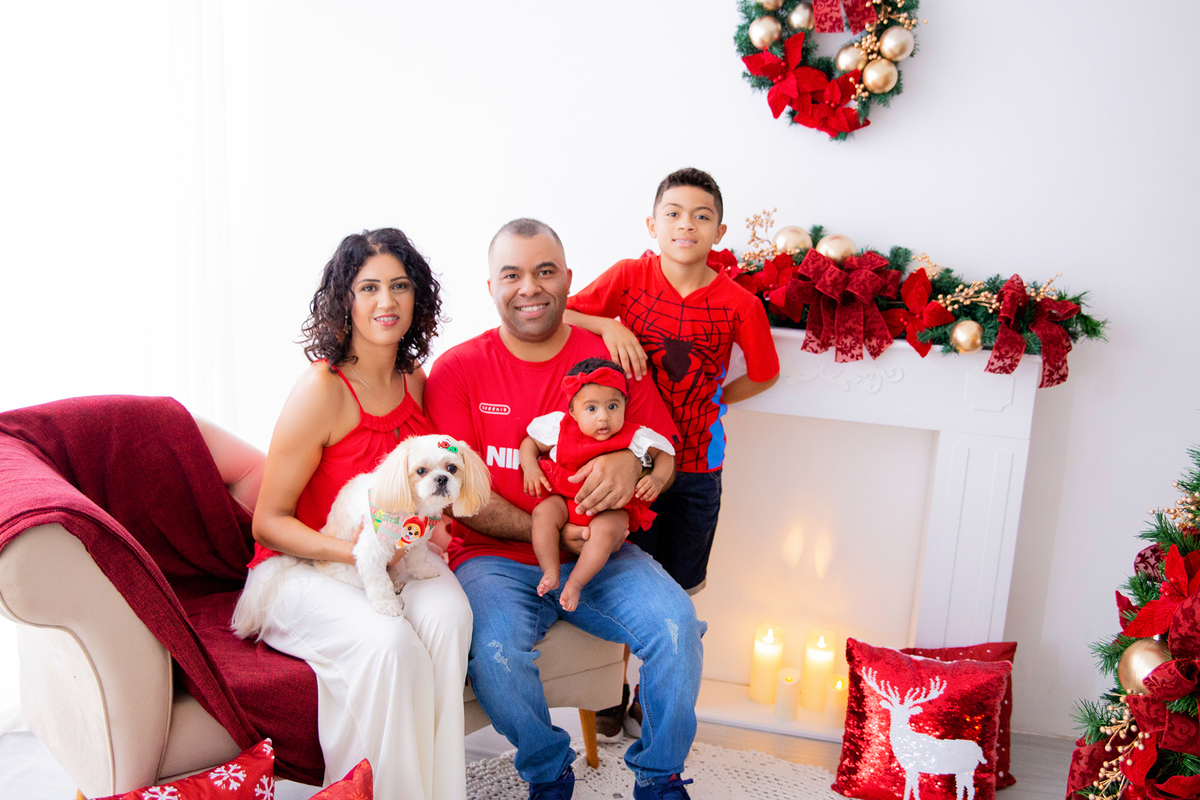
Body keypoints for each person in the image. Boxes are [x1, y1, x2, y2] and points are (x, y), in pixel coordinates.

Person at [424, 218, 705, 800]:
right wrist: (557, 533)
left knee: (676, 624)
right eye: (513, 274)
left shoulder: (609, 358)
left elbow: (665, 455)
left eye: (545, 271)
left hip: (605, 554)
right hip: (493, 559)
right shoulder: (457, 371)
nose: (530, 287)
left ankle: (659, 777)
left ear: (568, 280)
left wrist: (637, 467)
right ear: (491, 286)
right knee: (496, 651)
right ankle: (549, 770)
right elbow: (461, 497)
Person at [235, 228, 471, 800]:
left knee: (448, 616)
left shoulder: (416, 381)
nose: (385, 302)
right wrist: (355, 556)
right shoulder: (321, 389)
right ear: (346, 298)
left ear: (418, 298)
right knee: (390, 646)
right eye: (369, 288)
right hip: (302, 570)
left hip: (393, 559)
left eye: (399, 286)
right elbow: (268, 521)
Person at [564, 167, 781, 734]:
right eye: (674, 214)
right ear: (652, 224)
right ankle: (604, 690)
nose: (687, 225)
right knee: (615, 574)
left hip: (694, 470)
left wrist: (718, 400)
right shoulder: (631, 276)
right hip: (628, 461)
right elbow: (563, 312)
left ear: (720, 230)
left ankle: (646, 695)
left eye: (701, 216)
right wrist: (607, 328)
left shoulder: (738, 303)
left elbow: (765, 372)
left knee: (677, 587)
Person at [520, 357, 675, 611]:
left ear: (625, 404)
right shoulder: (559, 428)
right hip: (566, 501)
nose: (603, 418)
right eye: (591, 409)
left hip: (609, 510)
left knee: (605, 531)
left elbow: (665, 455)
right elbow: (530, 443)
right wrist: (530, 468)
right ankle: (550, 570)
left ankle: (576, 583)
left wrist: (656, 478)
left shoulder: (634, 436)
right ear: (573, 412)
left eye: (613, 406)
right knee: (543, 513)